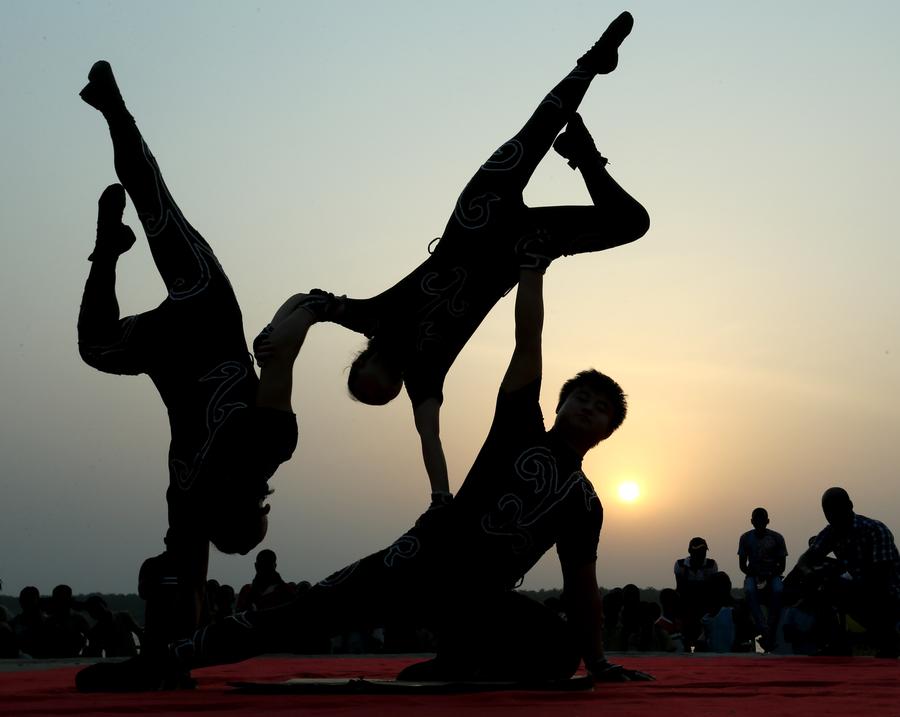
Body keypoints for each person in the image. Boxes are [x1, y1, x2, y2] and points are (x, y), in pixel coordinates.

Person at [77, 261, 652, 689]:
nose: (587, 408)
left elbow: (582, 584)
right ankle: (164, 660)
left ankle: (458, 660)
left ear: (607, 432)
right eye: (581, 396)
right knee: (305, 613)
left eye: (601, 408)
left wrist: (598, 661)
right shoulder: (520, 426)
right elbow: (530, 344)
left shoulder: (584, 503)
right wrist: (533, 269)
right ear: (560, 402)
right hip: (422, 560)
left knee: (559, 653)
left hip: (475, 602)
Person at [308, 11, 649, 506]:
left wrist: (277, 339)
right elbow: (430, 440)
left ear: (365, 364)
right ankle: (584, 155)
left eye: (369, 389)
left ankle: (592, 62)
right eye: (383, 398)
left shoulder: (372, 318)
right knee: (630, 223)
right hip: (522, 250)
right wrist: (441, 498)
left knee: (537, 128)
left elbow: (306, 303)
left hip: (476, 216)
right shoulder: (424, 376)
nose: (382, 392)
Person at [75, 61, 319, 657]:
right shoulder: (200, 489)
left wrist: (303, 313)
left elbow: (280, 359)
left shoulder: (268, 450)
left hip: (200, 317)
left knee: (155, 204)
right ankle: (105, 248)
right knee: (95, 345)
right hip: (185, 333)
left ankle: (111, 212)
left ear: (257, 507)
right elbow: (185, 562)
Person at [794, 487, 900, 657]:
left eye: (836, 510)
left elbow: (881, 576)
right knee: (821, 582)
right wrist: (809, 573)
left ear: (850, 505)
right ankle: (836, 642)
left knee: (836, 585)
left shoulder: (875, 529)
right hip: (857, 589)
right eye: (827, 512)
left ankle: (887, 638)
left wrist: (840, 582)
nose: (832, 516)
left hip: (888, 594)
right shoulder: (831, 532)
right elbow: (806, 559)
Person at [737, 507, 787, 651]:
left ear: (767, 521)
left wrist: (770, 574)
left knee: (778, 591)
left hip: (773, 574)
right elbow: (742, 565)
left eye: (762, 520)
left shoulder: (777, 538)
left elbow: (782, 565)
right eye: (756, 520)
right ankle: (763, 627)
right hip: (753, 575)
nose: (759, 523)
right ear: (752, 521)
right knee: (750, 591)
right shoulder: (745, 538)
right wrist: (753, 573)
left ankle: (770, 627)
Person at [674, 537, 719, 649]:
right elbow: (680, 588)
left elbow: (712, 590)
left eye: (703, 551)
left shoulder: (711, 565)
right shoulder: (680, 565)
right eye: (698, 551)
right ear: (690, 551)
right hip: (686, 603)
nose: (701, 554)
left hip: (705, 604)